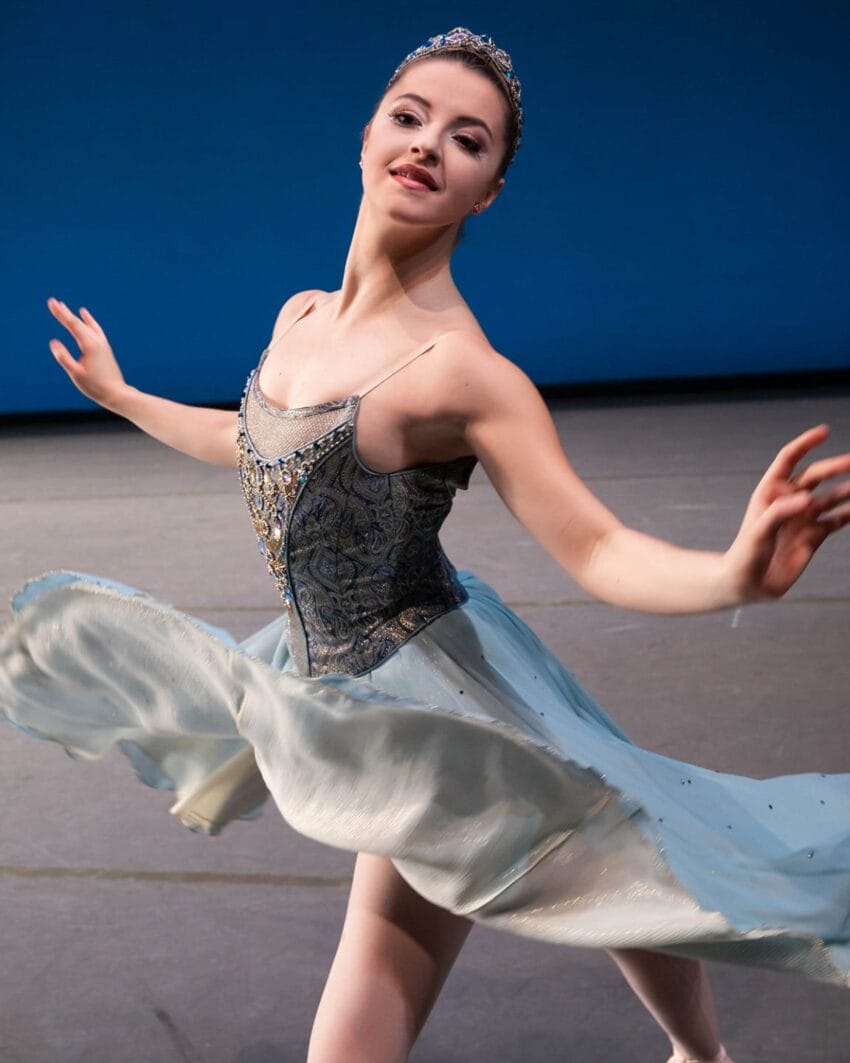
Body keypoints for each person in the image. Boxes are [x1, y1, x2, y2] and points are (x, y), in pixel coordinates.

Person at [2, 26, 850, 1063]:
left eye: (468, 139)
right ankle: (703, 1055)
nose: (427, 145)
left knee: (604, 843)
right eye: (409, 118)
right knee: (614, 835)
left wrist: (733, 575)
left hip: (425, 692)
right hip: (327, 674)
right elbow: (254, 443)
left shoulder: (464, 373)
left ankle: (700, 1053)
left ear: (486, 189)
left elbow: (593, 545)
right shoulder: (301, 316)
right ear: (366, 136)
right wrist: (127, 398)